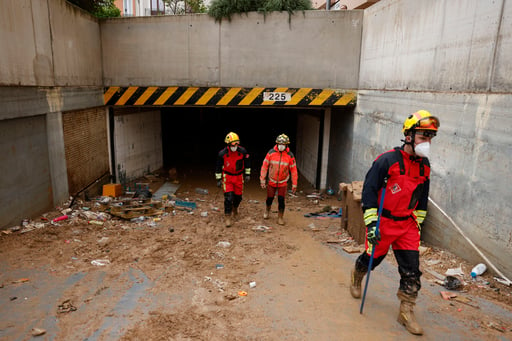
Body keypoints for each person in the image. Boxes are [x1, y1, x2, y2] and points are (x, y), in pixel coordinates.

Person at [349, 110, 440, 335]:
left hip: (407, 225)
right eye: (422, 137)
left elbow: (422, 196)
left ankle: (406, 312)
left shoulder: (424, 165)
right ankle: (357, 274)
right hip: (384, 222)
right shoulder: (386, 160)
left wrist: (418, 223)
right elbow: (369, 192)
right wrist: (371, 225)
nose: (426, 142)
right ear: (408, 136)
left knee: (411, 271)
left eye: (430, 138)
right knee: (373, 260)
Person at [260, 134, 298, 225]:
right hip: (272, 181)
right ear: (277, 144)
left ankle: (280, 217)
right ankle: (267, 210)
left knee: (281, 200)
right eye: (279, 144)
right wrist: (262, 179)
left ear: (286, 145)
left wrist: (294, 184)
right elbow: (264, 166)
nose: (281, 146)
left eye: (283, 144)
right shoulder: (271, 153)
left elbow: (293, 170)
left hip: (283, 182)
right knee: (270, 198)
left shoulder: (290, 155)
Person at [215, 132, 251, 227]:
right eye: (232, 144)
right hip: (228, 177)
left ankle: (235, 208)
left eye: (236, 144)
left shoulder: (243, 152)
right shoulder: (222, 154)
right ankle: (227, 216)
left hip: (239, 177)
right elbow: (218, 167)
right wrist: (218, 179)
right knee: (228, 197)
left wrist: (247, 174)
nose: (234, 146)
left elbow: (247, 163)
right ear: (228, 144)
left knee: (238, 197)